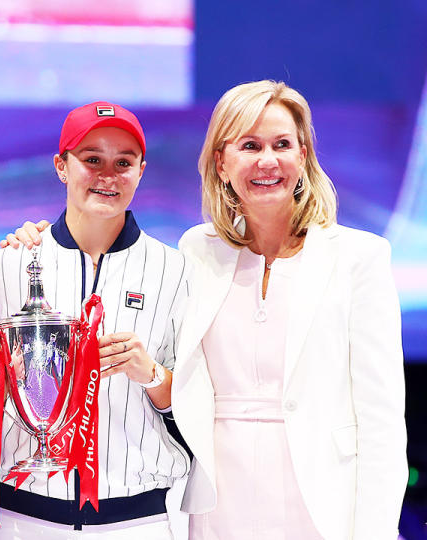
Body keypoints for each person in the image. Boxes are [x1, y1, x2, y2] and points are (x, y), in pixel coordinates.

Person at [171, 80, 406, 539]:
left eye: (282, 144)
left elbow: (381, 420)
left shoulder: (359, 258)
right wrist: (40, 244)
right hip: (219, 508)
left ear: (303, 157)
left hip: (321, 504)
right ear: (222, 161)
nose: (267, 160)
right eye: (250, 145)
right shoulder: (196, 250)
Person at [0, 102, 189, 538]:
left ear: (141, 171)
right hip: (25, 516)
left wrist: (152, 374)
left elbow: (196, 402)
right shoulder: (13, 262)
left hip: (137, 521)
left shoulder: (174, 270)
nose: (107, 175)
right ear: (62, 166)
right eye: (91, 159)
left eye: (123, 163)